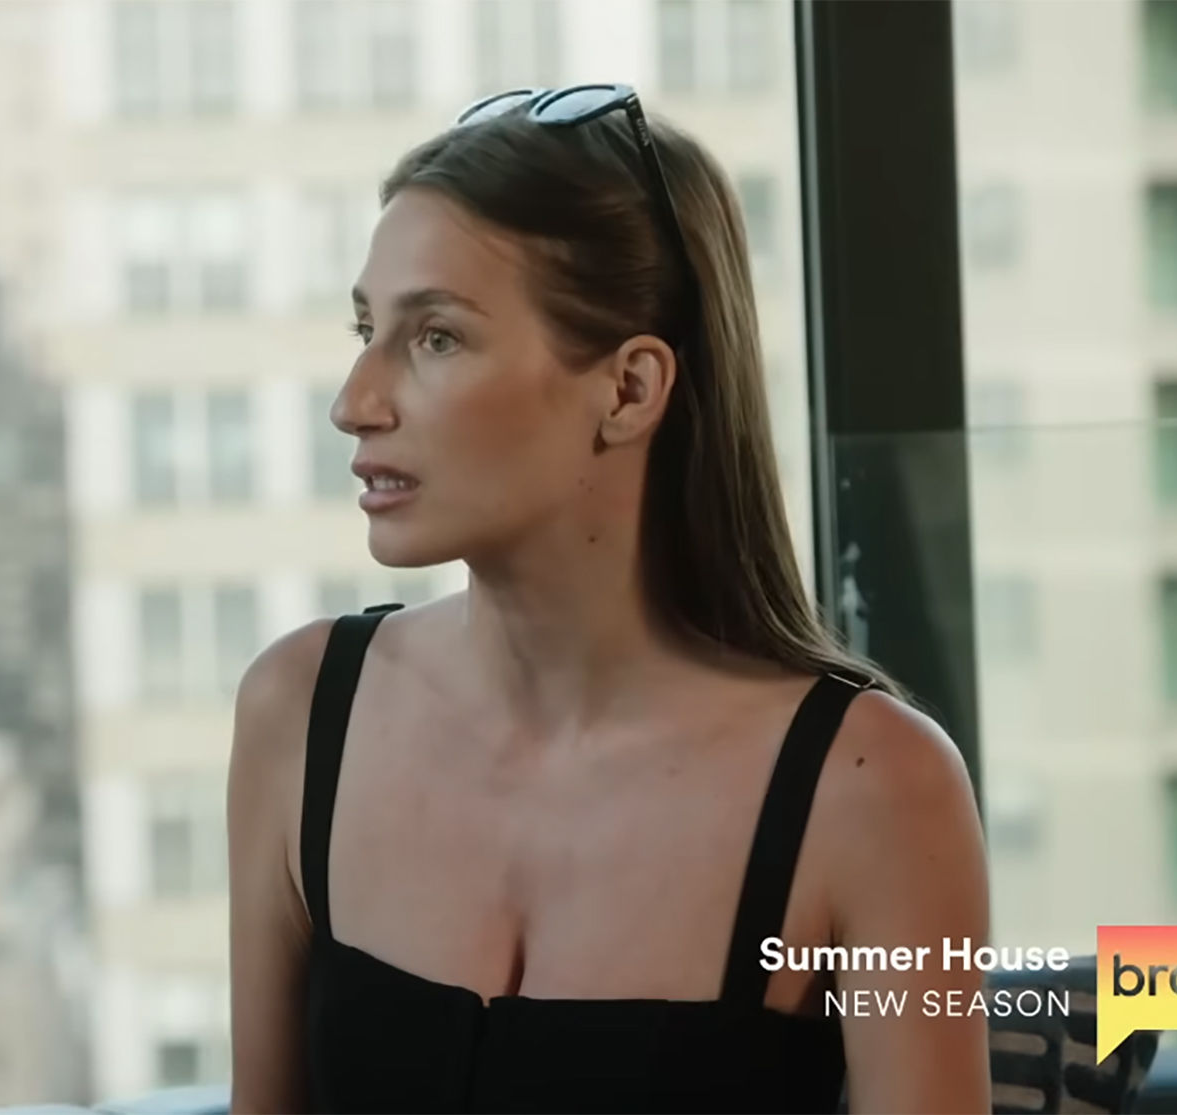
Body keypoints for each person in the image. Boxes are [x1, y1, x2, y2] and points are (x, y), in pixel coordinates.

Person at [226, 85, 992, 1114]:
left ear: (629, 389)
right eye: (367, 329)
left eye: (435, 337)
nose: (355, 401)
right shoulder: (298, 709)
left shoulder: (875, 791)